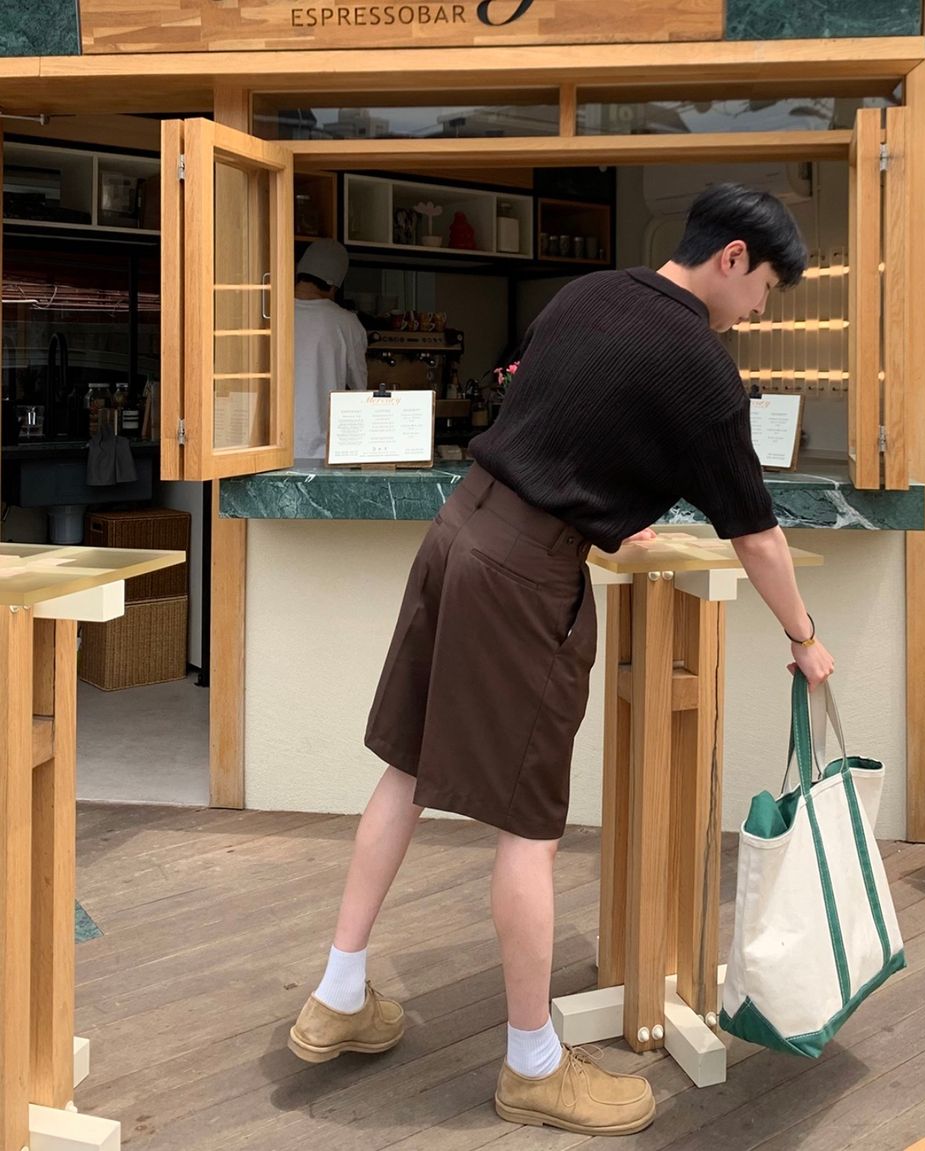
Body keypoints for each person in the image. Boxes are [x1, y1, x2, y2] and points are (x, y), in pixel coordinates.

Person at [287, 184, 835, 1135]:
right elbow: (756, 534)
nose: (758, 310)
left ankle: (337, 994)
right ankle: (533, 1062)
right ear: (733, 257)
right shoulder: (702, 367)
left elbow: (553, 415)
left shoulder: (588, 292)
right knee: (530, 824)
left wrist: (603, 516)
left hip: (461, 527)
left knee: (407, 768)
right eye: (766, 289)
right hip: (524, 575)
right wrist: (804, 635)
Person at [293, 238, 368, 460]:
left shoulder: (269, 313)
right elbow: (361, 393)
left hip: (269, 450)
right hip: (325, 452)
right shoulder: (346, 323)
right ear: (334, 286)